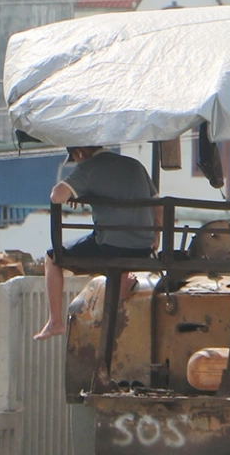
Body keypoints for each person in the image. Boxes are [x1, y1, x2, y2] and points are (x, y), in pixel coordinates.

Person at [32, 145, 157, 340]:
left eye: (76, 158)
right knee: (112, 251)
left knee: (51, 257)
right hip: (142, 247)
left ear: (79, 152)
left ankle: (55, 322)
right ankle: (122, 290)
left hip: (111, 247)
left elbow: (57, 196)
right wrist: (155, 238)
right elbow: (158, 205)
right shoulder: (135, 165)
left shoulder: (88, 167)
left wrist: (75, 191)